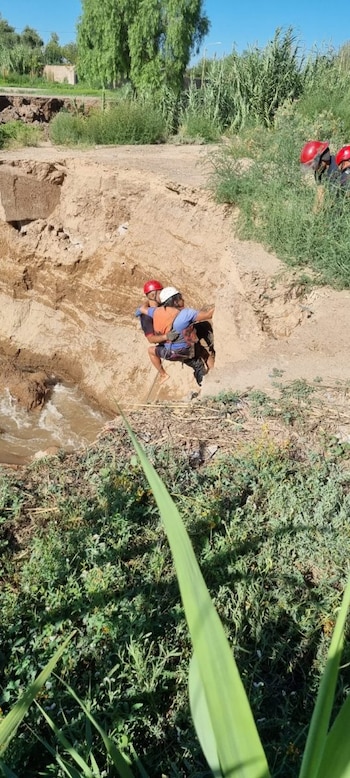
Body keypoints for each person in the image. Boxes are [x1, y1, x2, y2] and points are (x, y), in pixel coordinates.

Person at [136, 279, 215, 385]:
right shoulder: (185, 313)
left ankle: (213, 374)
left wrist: (147, 300)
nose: (183, 299)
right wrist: (166, 337)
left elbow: (143, 308)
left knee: (201, 351)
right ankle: (208, 387)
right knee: (197, 363)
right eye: (181, 298)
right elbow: (151, 339)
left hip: (176, 346)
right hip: (179, 349)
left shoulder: (156, 311)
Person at [300, 140, 339, 212]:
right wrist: (314, 215)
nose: (313, 168)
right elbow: (320, 194)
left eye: (313, 165)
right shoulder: (319, 172)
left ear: (322, 158)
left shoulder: (336, 168)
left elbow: (335, 200)